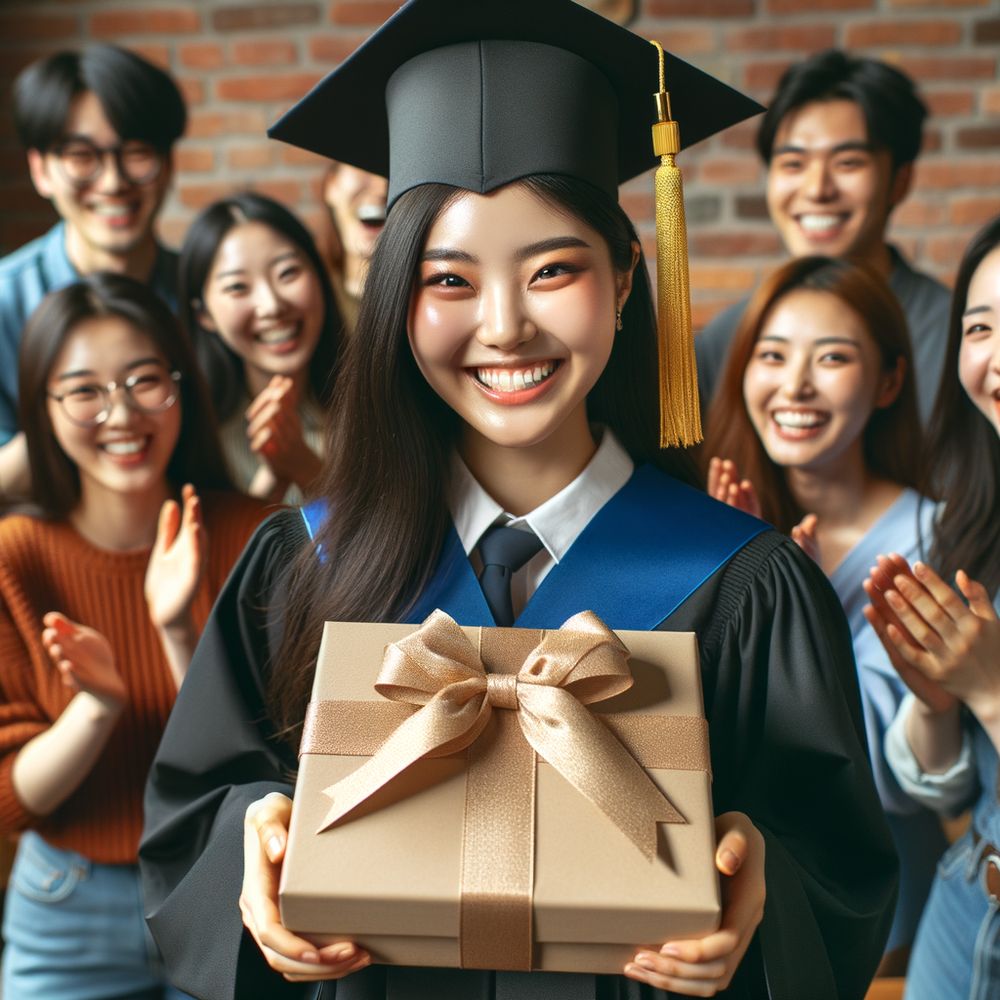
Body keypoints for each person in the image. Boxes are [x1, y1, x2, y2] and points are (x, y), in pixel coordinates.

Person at [139, 3, 897, 999]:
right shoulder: (298, 564)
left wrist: (760, 874)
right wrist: (255, 837)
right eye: (448, 278)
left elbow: (838, 865)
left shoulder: (748, 587)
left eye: (551, 270)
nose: (505, 327)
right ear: (396, 298)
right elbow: (191, 815)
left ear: (627, 278)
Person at [0, 273, 267, 999]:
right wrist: (94, 705)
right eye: (84, 391)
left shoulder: (255, 534)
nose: (121, 413)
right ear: (43, 410)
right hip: (69, 904)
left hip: (232, 887)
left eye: (145, 381)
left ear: (181, 386)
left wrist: (181, 632)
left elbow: (274, 763)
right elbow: (12, 795)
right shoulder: (15, 555)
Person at [702, 255, 948, 973]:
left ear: (890, 381)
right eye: (771, 355)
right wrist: (724, 592)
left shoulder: (936, 541)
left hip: (880, 923)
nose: (795, 385)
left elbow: (896, 773)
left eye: (832, 357)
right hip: (723, 902)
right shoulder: (718, 523)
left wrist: (799, 619)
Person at [866, 215, 1000, 1000]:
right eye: (980, 327)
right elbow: (949, 790)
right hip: (964, 911)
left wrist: (988, 687)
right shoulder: (973, 524)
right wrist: (934, 701)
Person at [695, 50, 950, 428]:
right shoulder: (726, 339)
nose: (817, 189)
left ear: (900, 180)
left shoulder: (952, 335)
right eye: (793, 164)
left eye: (847, 163)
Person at [0, 43, 185, 499]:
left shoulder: (207, 289)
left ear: (168, 165)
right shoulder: (5, 302)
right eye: (82, 157)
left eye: (137, 152)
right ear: (41, 170)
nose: (112, 182)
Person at [180, 193, 342, 502]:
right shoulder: (195, 433)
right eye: (238, 287)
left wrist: (305, 467)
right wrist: (272, 478)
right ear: (204, 314)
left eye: (288, 273)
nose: (271, 305)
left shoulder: (380, 402)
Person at [319, 163, 388, 333]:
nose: (382, 189)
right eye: (365, 168)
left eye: (395, 171)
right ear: (331, 185)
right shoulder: (310, 300)